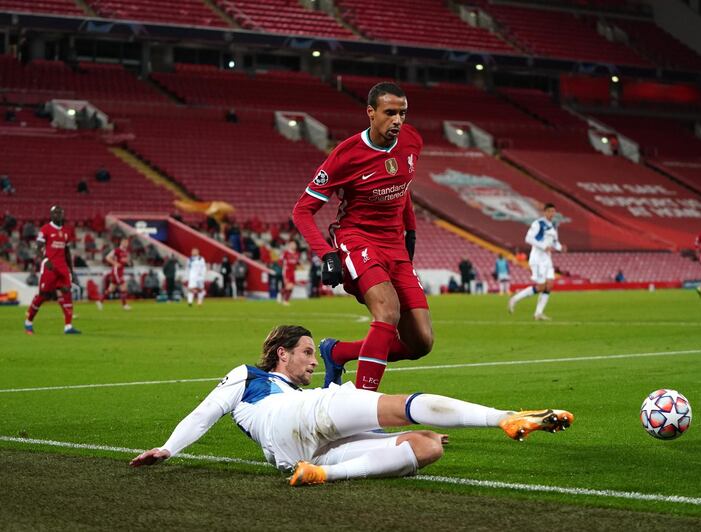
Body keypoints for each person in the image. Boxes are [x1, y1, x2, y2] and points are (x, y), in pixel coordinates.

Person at [129, 325, 574, 486]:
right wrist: (169, 447)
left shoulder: (301, 394)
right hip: (290, 422)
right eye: (305, 351)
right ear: (281, 353)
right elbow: (207, 410)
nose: (309, 359)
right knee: (399, 405)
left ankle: (322, 475)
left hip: (296, 455)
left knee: (427, 446)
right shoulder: (252, 376)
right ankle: (505, 417)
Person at [292, 82, 431, 391]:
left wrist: (411, 232)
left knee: (420, 342)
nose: (398, 120)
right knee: (388, 311)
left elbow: (402, 188)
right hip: (358, 240)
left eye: (403, 114)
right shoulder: (346, 155)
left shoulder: (412, 141)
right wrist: (327, 254)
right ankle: (362, 410)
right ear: (371, 113)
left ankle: (337, 352)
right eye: (390, 113)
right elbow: (302, 210)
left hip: (395, 245)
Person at [23, 205, 81, 335]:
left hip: (63, 267)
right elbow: (38, 247)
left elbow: (67, 252)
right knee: (44, 295)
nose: (58, 215)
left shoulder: (66, 232)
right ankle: (28, 322)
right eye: (55, 213)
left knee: (67, 293)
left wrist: (71, 270)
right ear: (51, 214)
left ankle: (68, 326)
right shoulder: (45, 229)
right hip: (49, 266)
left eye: (60, 213)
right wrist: (44, 259)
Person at [508, 203, 566, 321]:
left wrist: (561, 248)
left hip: (547, 259)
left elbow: (555, 242)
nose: (552, 214)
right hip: (537, 259)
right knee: (540, 287)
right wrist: (543, 246)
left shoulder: (554, 226)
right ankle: (515, 299)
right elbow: (528, 238)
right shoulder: (538, 223)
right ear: (544, 212)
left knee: (549, 285)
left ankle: (538, 313)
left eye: (553, 211)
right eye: (549, 211)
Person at [97, 237, 131, 310]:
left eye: (127, 242)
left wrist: (127, 261)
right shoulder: (117, 250)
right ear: (122, 242)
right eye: (125, 242)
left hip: (121, 271)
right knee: (124, 287)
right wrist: (115, 263)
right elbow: (107, 257)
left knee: (111, 289)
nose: (126, 244)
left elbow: (124, 260)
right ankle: (124, 305)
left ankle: (100, 301)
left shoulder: (125, 251)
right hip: (116, 272)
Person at [280, 240, 300, 305]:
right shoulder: (286, 253)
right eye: (292, 244)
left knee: (291, 286)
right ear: (289, 245)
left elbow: (296, 262)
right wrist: (283, 267)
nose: (294, 245)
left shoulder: (297, 253)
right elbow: (280, 261)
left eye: (295, 244)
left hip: (293, 272)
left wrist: (299, 266)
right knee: (288, 286)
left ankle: (280, 295)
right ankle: (285, 301)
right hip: (287, 271)